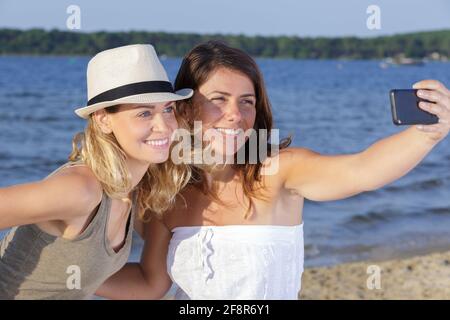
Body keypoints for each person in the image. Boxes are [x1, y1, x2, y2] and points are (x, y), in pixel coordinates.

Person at [96, 41, 450, 300]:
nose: (235, 114)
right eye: (218, 100)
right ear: (184, 111)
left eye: (246, 102)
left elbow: (363, 170)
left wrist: (426, 134)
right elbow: (148, 283)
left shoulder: (277, 172)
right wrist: (66, 275)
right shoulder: (167, 195)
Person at [0, 44, 193, 299]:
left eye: (168, 109)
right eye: (144, 113)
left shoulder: (134, 191)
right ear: (103, 120)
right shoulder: (81, 190)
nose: (164, 125)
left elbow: (149, 285)